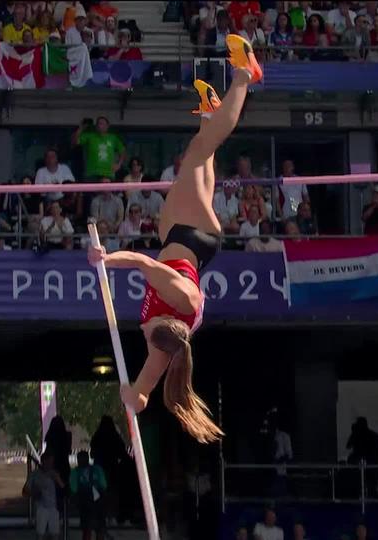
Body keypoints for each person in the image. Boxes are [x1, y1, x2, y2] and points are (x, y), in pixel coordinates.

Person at [87, 34, 262, 443]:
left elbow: (142, 394)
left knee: (202, 160)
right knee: (199, 152)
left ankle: (209, 112)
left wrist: (132, 401)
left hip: (181, 236)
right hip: (192, 237)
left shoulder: (162, 349)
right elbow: (144, 264)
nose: (145, 334)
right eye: (151, 332)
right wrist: (104, 260)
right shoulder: (181, 299)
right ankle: (245, 76)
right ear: (168, 323)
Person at [23, 453, 63, 540]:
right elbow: (25, 491)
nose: (50, 464)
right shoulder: (35, 475)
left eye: (52, 462)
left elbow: (63, 489)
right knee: (40, 534)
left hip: (53, 508)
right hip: (41, 508)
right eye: (48, 461)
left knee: (55, 534)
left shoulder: (55, 474)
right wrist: (34, 493)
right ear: (43, 461)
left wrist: (57, 479)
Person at [70, 451, 107, 540]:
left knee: (92, 527)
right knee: (92, 527)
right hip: (89, 500)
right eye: (80, 458)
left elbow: (103, 485)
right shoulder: (76, 472)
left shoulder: (96, 469)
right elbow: (74, 489)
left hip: (93, 500)